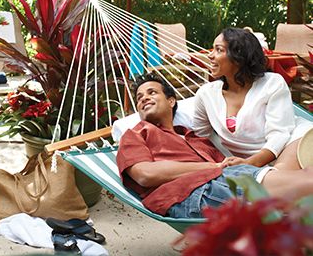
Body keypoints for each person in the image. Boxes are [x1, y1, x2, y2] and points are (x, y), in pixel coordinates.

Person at [116, 73, 313, 218]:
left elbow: (229, 167)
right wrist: (214, 166)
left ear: (171, 101)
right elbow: (145, 175)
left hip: (222, 182)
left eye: (152, 92)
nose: (144, 98)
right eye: (139, 98)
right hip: (189, 192)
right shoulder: (135, 134)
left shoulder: (196, 138)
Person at [192, 27, 311, 170]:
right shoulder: (206, 95)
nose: (210, 55)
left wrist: (249, 163)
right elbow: (199, 138)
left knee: (276, 180)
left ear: (239, 57)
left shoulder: (272, 84)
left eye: (218, 50)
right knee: (271, 182)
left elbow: (279, 134)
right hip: (246, 163)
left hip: (290, 143)